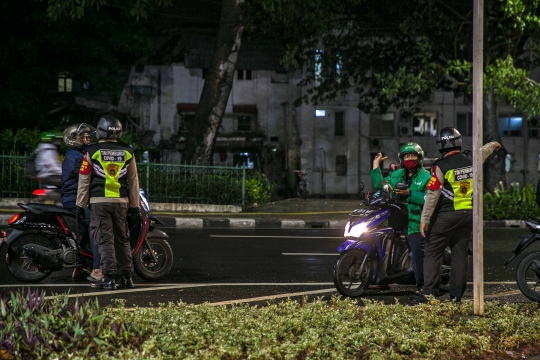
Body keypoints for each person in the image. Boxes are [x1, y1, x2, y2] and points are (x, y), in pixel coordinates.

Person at [412, 127, 501, 303]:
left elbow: (432, 194)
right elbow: (483, 152)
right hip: (468, 215)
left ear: (441, 145)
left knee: (433, 252)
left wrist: (424, 219)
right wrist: (493, 144)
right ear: (459, 142)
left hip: (446, 215)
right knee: (460, 254)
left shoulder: (440, 166)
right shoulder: (471, 160)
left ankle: (429, 292)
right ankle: (456, 296)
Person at [75, 115, 140, 290]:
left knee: (105, 241)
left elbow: (84, 180)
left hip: (99, 202)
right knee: (122, 239)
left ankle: (110, 278)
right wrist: (135, 207)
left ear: (101, 131)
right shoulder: (128, 151)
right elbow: (133, 181)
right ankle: (127, 277)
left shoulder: (92, 151)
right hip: (122, 202)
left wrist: (80, 205)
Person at [371, 143, 432, 294]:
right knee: (381, 244)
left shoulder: (426, 176)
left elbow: (430, 198)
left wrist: (410, 194)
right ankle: (381, 280)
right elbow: (382, 185)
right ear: (401, 159)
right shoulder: (397, 175)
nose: (409, 158)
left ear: (419, 158)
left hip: (415, 220)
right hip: (395, 216)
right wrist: (375, 165)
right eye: (406, 156)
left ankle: (423, 286)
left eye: (413, 156)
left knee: (417, 251)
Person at [61, 123, 102, 281]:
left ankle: (80, 266)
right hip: (76, 199)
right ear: (74, 140)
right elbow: (86, 178)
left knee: (84, 233)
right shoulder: (76, 157)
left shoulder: (78, 154)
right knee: (95, 227)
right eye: (84, 137)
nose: (87, 139)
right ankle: (97, 269)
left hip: (76, 198)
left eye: (87, 136)